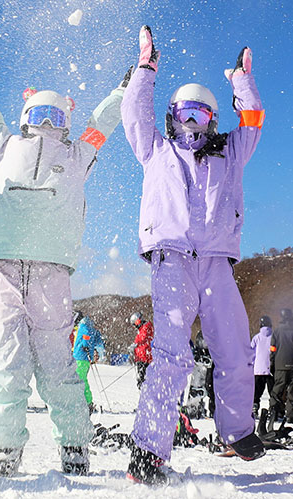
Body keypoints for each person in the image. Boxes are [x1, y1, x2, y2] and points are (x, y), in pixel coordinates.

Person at [0, 56, 131, 477]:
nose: (47, 122)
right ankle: (5, 446)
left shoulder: (77, 154)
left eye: (56, 115)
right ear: (25, 117)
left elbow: (102, 124)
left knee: (56, 361)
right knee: (8, 360)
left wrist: (123, 92)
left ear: (67, 122)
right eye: (39, 113)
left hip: (51, 268)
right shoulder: (3, 147)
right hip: (3, 264)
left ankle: (73, 443)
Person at [121, 27, 265, 485]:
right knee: (171, 352)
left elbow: (255, 121)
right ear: (171, 117)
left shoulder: (231, 155)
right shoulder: (156, 149)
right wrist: (146, 69)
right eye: (185, 114)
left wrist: (242, 84)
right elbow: (133, 112)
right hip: (172, 257)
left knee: (236, 349)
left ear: (214, 120)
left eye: (202, 116)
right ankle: (148, 451)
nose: (193, 125)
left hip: (217, 261)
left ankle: (238, 430)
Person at [73, 314, 105, 413]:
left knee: (80, 380)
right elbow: (99, 341)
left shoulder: (83, 326)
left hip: (80, 356)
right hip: (85, 358)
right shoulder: (91, 328)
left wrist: (85, 345)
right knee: (81, 380)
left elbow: (86, 336)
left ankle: (87, 402)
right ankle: (86, 402)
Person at [267, 308, 293, 430]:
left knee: (277, 390)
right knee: (292, 391)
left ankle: (275, 413)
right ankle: (290, 415)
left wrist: (271, 363)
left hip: (280, 365)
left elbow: (272, 349)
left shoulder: (277, 331)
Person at [251, 315, 273, 418]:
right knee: (272, 392)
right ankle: (273, 410)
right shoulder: (274, 336)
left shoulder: (257, 337)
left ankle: (254, 407)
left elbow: (251, 352)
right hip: (271, 369)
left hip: (258, 369)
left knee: (256, 393)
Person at [129, 313, 153, 389]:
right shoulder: (141, 329)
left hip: (145, 358)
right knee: (140, 380)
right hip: (141, 357)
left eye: (136, 323)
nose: (135, 325)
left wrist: (135, 344)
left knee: (143, 379)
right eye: (134, 324)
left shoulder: (146, 326)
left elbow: (143, 337)